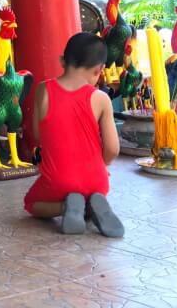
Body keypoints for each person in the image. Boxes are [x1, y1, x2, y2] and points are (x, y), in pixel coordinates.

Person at [24, 32, 123, 237]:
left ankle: (65, 207)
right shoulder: (101, 98)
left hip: (58, 181)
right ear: (99, 69)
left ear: (63, 61)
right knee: (91, 188)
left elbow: (37, 135)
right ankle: (90, 206)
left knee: (31, 203)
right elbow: (113, 149)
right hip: (97, 181)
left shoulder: (43, 90)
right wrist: (101, 165)